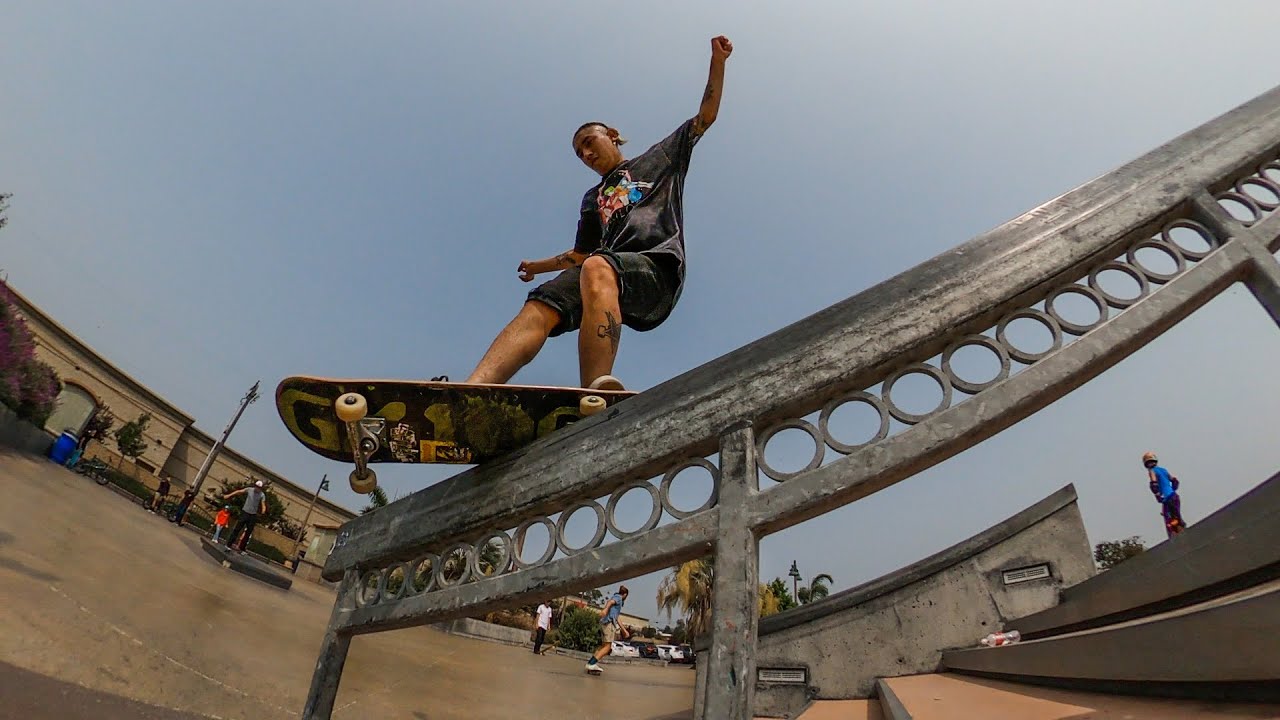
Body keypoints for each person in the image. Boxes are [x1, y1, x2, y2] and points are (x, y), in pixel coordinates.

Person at [462, 36, 734, 391]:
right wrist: (538, 267)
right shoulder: (593, 198)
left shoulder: (660, 157)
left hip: (655, 269)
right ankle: (473, 388)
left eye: (590, 143)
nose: (586, 154)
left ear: (613, 136)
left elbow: (705, 118)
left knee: (598, 266)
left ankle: (593, 392)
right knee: (541, 305)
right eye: (579, 153)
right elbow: (580, 254)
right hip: (604, 269)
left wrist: (718, 62)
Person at [586, 585, 630, 674]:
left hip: (605, 623)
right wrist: (605, 609)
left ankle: (591, 663)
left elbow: (616, 617)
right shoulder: (618, 598)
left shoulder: (617, 601)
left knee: (603, 646)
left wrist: (624, 630)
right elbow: (610, 602)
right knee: (607, 647)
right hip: (608, 623)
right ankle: (591, 664)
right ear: (625, 595)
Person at [1143, 451, 1187, 538]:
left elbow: (1154, 485)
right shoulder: (1164, 470)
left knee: (1169, 521)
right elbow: (1175, 481)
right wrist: (1172, 489)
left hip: (1167, 499)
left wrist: (1158, 495)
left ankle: (1174, 535)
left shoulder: (1152, 471)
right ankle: (1181, 525)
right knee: (1177, 516)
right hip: (1175, 496)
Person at [224, 480, 267, 554]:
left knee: (248, 532)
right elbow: (239, 491)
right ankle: (229, 544)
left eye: (259, 488)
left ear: (261, 488)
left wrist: (263, 509)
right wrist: (229, 495)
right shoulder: (249, 489)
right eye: (256, 487)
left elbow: (263, 503)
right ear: (255, 486)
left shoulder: (262, 495)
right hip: (245, 512)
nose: (257, 489)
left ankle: (242, 548)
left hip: (253, 515)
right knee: (237, 529)